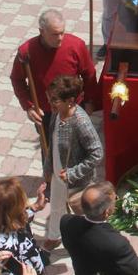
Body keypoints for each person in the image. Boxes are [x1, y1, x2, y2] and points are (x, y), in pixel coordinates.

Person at [41, 75, 103, 252]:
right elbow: (52, 146)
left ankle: (91, 244)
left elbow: (97, 153)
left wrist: (73, 173)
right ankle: (54, 237)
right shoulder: (56, 114)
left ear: (70, 101)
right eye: (49, 99)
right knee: (56, 207)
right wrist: (48, 170)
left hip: (77, 181)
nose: (50, 104)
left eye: (54, 100)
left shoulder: (81, 122)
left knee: (83, 215)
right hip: (58, 175)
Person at [61, 182, 138, 275]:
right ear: (106, 213)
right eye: (114, 201)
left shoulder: (67, 223)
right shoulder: (117, 244)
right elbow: (136, 269)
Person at [10, 9, 98, 127]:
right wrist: (29, 106)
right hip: (45, 111)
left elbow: (89, 74)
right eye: (55, 34)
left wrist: (89, 100)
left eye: (62, 32)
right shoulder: (26, 52)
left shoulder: (76, 45)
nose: (60, 38)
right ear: (42, 31)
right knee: (51, 145)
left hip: (74, 107)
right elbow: (17, 79)